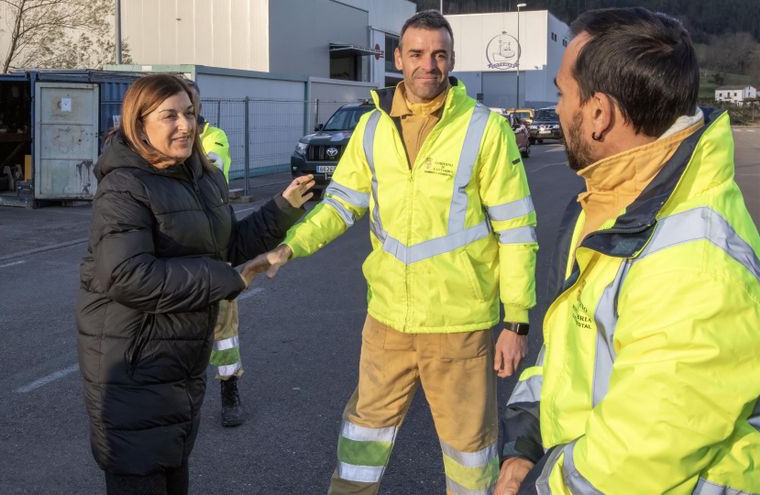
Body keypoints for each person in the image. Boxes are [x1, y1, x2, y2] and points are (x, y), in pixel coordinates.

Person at [244, 10, 538, 494]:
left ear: (452, 60)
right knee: (363, 436)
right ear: (397, 58)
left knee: (470, 452)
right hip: (386, 321)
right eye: (418, 54)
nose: (429, 65)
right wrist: (289, 247)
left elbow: (517, 229)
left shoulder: (485, 129)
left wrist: (516, 320)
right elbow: (341, 204)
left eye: (439, 54)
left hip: (458, 324)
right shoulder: (372, 128)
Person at [495, 8, 760, 495]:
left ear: (598, 114)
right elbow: (576, 346)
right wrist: (525, 440)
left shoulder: (695, 263)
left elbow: (633, 459)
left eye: (561, 93)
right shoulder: (611, 204)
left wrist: (549, 486)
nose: (556, 107)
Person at [75, 74, 313, 494]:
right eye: (169, 115)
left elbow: (228, 244)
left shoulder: (201, 177)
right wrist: (228, 278)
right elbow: (129, 276)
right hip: (134, 362)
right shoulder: (124, 186)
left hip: (180, 362)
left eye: (189, 114)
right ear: (139, 122)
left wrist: (281, 210)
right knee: (141, 472)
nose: (185, 125)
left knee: (174, 470)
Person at [185, 79, 245, 426]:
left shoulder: (214, 137)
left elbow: (211, 168)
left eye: (190, 107)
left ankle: (229, 390)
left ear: (199, 108)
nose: (184, 116)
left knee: (224, 328)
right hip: (178, 246)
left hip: (213, 244)